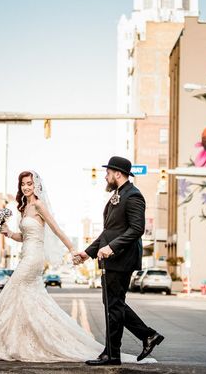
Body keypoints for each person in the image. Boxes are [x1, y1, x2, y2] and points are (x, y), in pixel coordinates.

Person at [0, 170, 155, 364]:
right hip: (27, 255)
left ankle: (117, 351)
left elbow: (56, 229)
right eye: (23, 184)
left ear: (36, 185)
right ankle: (19, 342)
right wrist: (10, 233)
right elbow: (28, 236)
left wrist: (73, 249)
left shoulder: (39, 205)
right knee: (26, 298)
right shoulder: (24, 207)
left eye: (29, 183)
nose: (26, 187)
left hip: (35, 259)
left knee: (13, 291)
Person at [73, 156, 164, 366]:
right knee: (113, 304)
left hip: (121, 258)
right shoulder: (119, 194)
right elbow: (109, 231)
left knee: (113, 305)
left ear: (117, 173)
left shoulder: (133, 196)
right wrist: (88, 253)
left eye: (108, 172)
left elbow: (137, 229)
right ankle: (144, 338)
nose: (105, 176)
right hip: (113, 258)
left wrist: (112, 247)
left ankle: (113, 354)